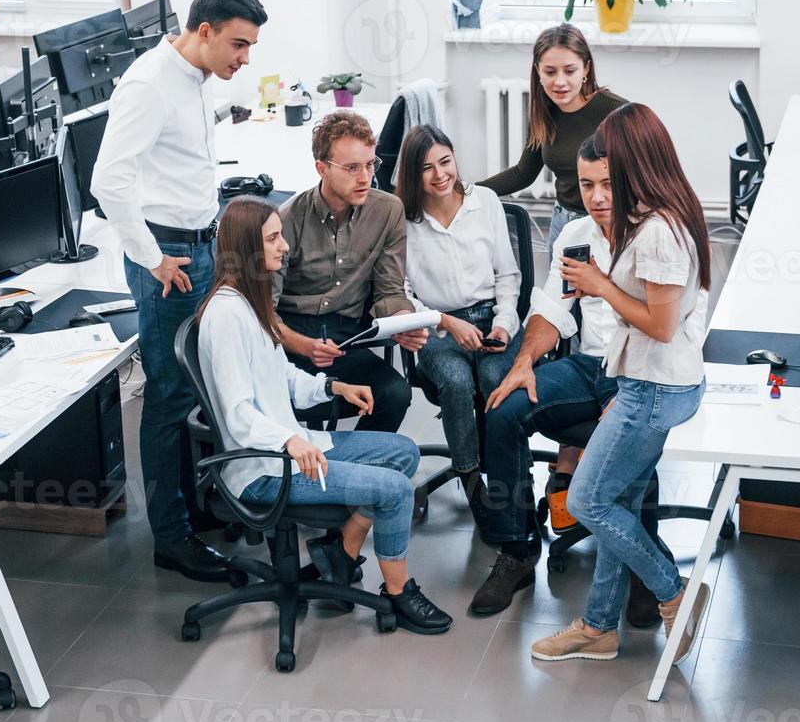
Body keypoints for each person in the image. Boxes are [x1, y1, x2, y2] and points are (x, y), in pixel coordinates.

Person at [198, 198, 451, 633]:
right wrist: (290, 442)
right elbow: (239, 414)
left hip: (290, 445)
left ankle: (341, 552)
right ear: (246, 251)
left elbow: (285, 380)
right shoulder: (226, 317)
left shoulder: (251, 305)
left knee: (404, 453)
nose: (284, 248)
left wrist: (333, 387)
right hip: (264, 468)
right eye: (273, 239)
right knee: (393, 489)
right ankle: (398, 591)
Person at [475, 137, 694, 621]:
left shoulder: (656, 238)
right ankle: (517, 548)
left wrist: (633, 386)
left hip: (641, 371)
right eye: (587, 185)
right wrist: (524, 362)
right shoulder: (576, 233)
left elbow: (668, 331)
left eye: (608, 185)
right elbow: (552, 309)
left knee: (632, 440)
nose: (596, 197)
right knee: (505, 408)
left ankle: (643, 565)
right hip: (588, 365)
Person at [92, 0, 265, 582]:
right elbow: (108, 181)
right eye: (239, 46)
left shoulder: (191, 79)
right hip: (167, 257)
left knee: (196, 382)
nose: (245, 60)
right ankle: (172, 536)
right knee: (167, 395)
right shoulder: (148, 83)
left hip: (197, 244)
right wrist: (151, 259)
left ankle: (192, 506)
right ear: (205, 31)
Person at [529, 104, 711, 664]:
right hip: (650, 382)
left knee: (586, 500)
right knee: (619, 501)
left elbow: (657, 324)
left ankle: (674, 591)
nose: (603, 189)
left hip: (652, 388)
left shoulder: (658, 232)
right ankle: (599, 627)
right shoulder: (665, 213)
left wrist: (601, 286)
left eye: (614, 172)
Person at [396, 125, 523, 525]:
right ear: (412, 175)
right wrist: (445, 322)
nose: (439, 175)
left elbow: (507, 275)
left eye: (445, 162)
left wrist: (503, 324)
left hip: (489, 316)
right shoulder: (402, 218)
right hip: (434, 324)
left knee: (494, 376)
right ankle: (471, 479)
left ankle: (511, 476)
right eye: (426, 168)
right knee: (455, 379)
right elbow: (399, 292)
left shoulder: (483, 201)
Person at [273, 110, 430, 431]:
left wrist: (401, 321)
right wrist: (302, 344)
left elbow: (389, 290)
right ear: (322, 169)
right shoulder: (287, 219)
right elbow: (263, 310)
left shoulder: (387, 210)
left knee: (394, 394)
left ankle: (360, 470)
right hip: (289, 339)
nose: (365, 177)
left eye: (371, 164)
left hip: (347, 336)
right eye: (352, 167)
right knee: (272, 400)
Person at [478, 23, 625, 253]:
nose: (559, 82)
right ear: (538, 71)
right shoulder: (543, 112)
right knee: (558, 290)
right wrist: (468, 192)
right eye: (550, 72)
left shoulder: (616, 113)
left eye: (570, 70)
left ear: (586, 68)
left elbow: (647, 178)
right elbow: (523, 173)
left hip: (606, 223)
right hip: (562, 221)